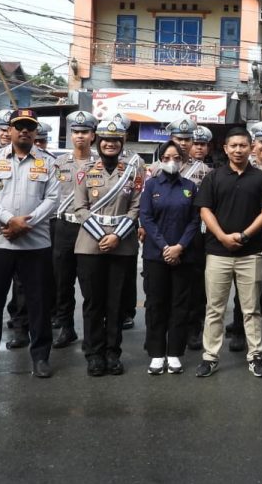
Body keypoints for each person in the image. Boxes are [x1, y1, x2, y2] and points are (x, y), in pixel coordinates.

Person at [0, 108, 61, 381]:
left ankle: (40, 357)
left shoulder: (48, 162)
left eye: (29, 127)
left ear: (35, 132)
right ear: (8, 130)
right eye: (18, 126)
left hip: (36, 243)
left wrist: (27, 223)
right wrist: (10, 220)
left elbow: (53, 199)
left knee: (39, 303)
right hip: (0, 241)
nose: (24, 131)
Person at [194, 127, 262, 378]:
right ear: (225, 149)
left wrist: (245, 235)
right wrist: (222, 236)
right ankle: (210, 357)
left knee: (251, 308)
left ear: (251, 148)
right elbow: (205, 210)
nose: (238, 150)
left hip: (251, 252)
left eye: (243, 145)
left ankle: (255, 356)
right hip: (218, 252)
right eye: (233, 146)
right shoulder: (213, 177)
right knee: (215, 308)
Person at [71, 119, 145, 377]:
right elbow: (79, 207)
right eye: (105, 140)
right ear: (98, 142)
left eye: (115, 140)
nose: (110, 144)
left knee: (115, 303)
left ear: (121, 143)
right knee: (93, 302)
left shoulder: (133, 172)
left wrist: (116, 237)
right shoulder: (85, 170)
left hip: (121, 245)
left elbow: (136, 207)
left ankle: (113, 353)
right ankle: (94, 354)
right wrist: (102, 235)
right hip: (90, 246)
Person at [140, 140, 201, 375]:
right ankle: (156, 354)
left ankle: (175, 352)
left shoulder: (190, 187)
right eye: (166, 157)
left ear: (183, 160)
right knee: (156, 304)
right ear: (160, 159)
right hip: (156, 255)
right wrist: (166, 247)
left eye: (176, 157)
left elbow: (195, 220)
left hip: (183, 255)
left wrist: (180, 247)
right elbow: (146, 218)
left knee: (180, 304)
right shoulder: (151, 185)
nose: (171, 161)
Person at [227, 121, 262, 353]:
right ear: (253, 145)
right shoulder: (242, 168)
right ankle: (240, 331)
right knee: (244, 286)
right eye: (261, 142)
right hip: (247, 234)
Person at [49, 111, 98, 350]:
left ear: (93, 135)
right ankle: (66, 328)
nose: (80, 136)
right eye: (76, 132)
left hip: (89, 228)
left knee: (90, 283)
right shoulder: (57, 163)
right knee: (62, 281)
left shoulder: (100, 164)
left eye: (85, 132)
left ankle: (92, 334)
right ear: (71, 136)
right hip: (64, 226)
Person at [182, 124, 213, 351]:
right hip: (172, 232)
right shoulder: (167, 166)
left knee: (196, 285)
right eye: (195, 143)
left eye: (203, 144)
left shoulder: (209, 173)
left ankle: (195, 328)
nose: (197, 148)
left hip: (198, 234)